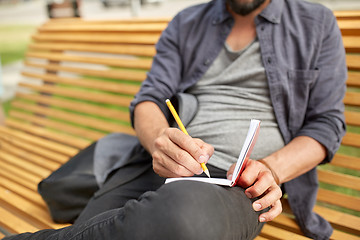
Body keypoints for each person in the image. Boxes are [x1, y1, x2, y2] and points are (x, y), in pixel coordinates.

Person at [4, 0, 346, 239]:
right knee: (103, 226)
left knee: (181, 220)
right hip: (157, 164)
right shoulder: (187, 23)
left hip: (238, 182)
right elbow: (148, 99)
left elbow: (326, 124)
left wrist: (271, 169)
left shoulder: (315, 24)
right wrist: (157, 142)